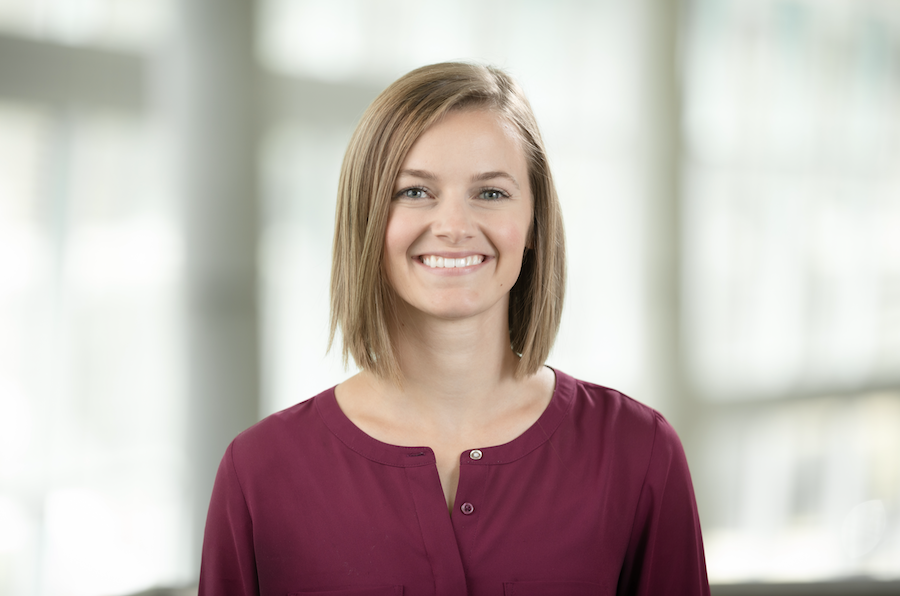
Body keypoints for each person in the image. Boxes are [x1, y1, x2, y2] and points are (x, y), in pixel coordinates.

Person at [199, 62, 710, 596]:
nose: (454, 226)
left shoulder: (637, 453)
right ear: (367, 219)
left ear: (534, 222)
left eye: (490, 193)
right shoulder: (260, 474)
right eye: (415, 192)